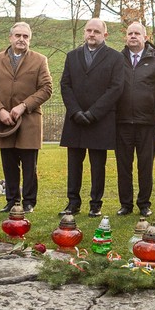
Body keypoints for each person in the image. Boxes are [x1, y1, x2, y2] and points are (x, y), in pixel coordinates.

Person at [0, 22, 53, 213]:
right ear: (10, 38)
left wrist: (24, 106)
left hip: (29, 120)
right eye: (18, 36)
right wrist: (0, 111)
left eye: (25, 36)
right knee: (9, 163)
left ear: (29, 39)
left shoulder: (39, 60)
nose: (21, 39)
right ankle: (12, 201)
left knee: (30, 166)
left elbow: (47, 89)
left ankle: (29, 202)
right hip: (4, 122)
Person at [59, 18, 125, 217]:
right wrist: (75, 111)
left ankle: (95, 204)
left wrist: (94, 113)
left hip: (100, 121)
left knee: (98, 166)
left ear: (105, 35)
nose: (92, 34)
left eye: (96, 31)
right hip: (75, 121)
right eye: (89, 30)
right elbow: (65, 85)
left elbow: (116, 88)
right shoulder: (72, 56)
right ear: (84, 33)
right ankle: (73, 203)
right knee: (74, 165)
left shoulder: (115, 58)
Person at [115, 22, 155, 217]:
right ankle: (126, 205)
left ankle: (144, 204)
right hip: (122, 123)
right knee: (123, 166)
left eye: (137, 33)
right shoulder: (117, 59)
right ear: (126, 37)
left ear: (145, 37)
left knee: (145, 166)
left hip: (147, 123)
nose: (133, 36)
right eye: (130, 33)